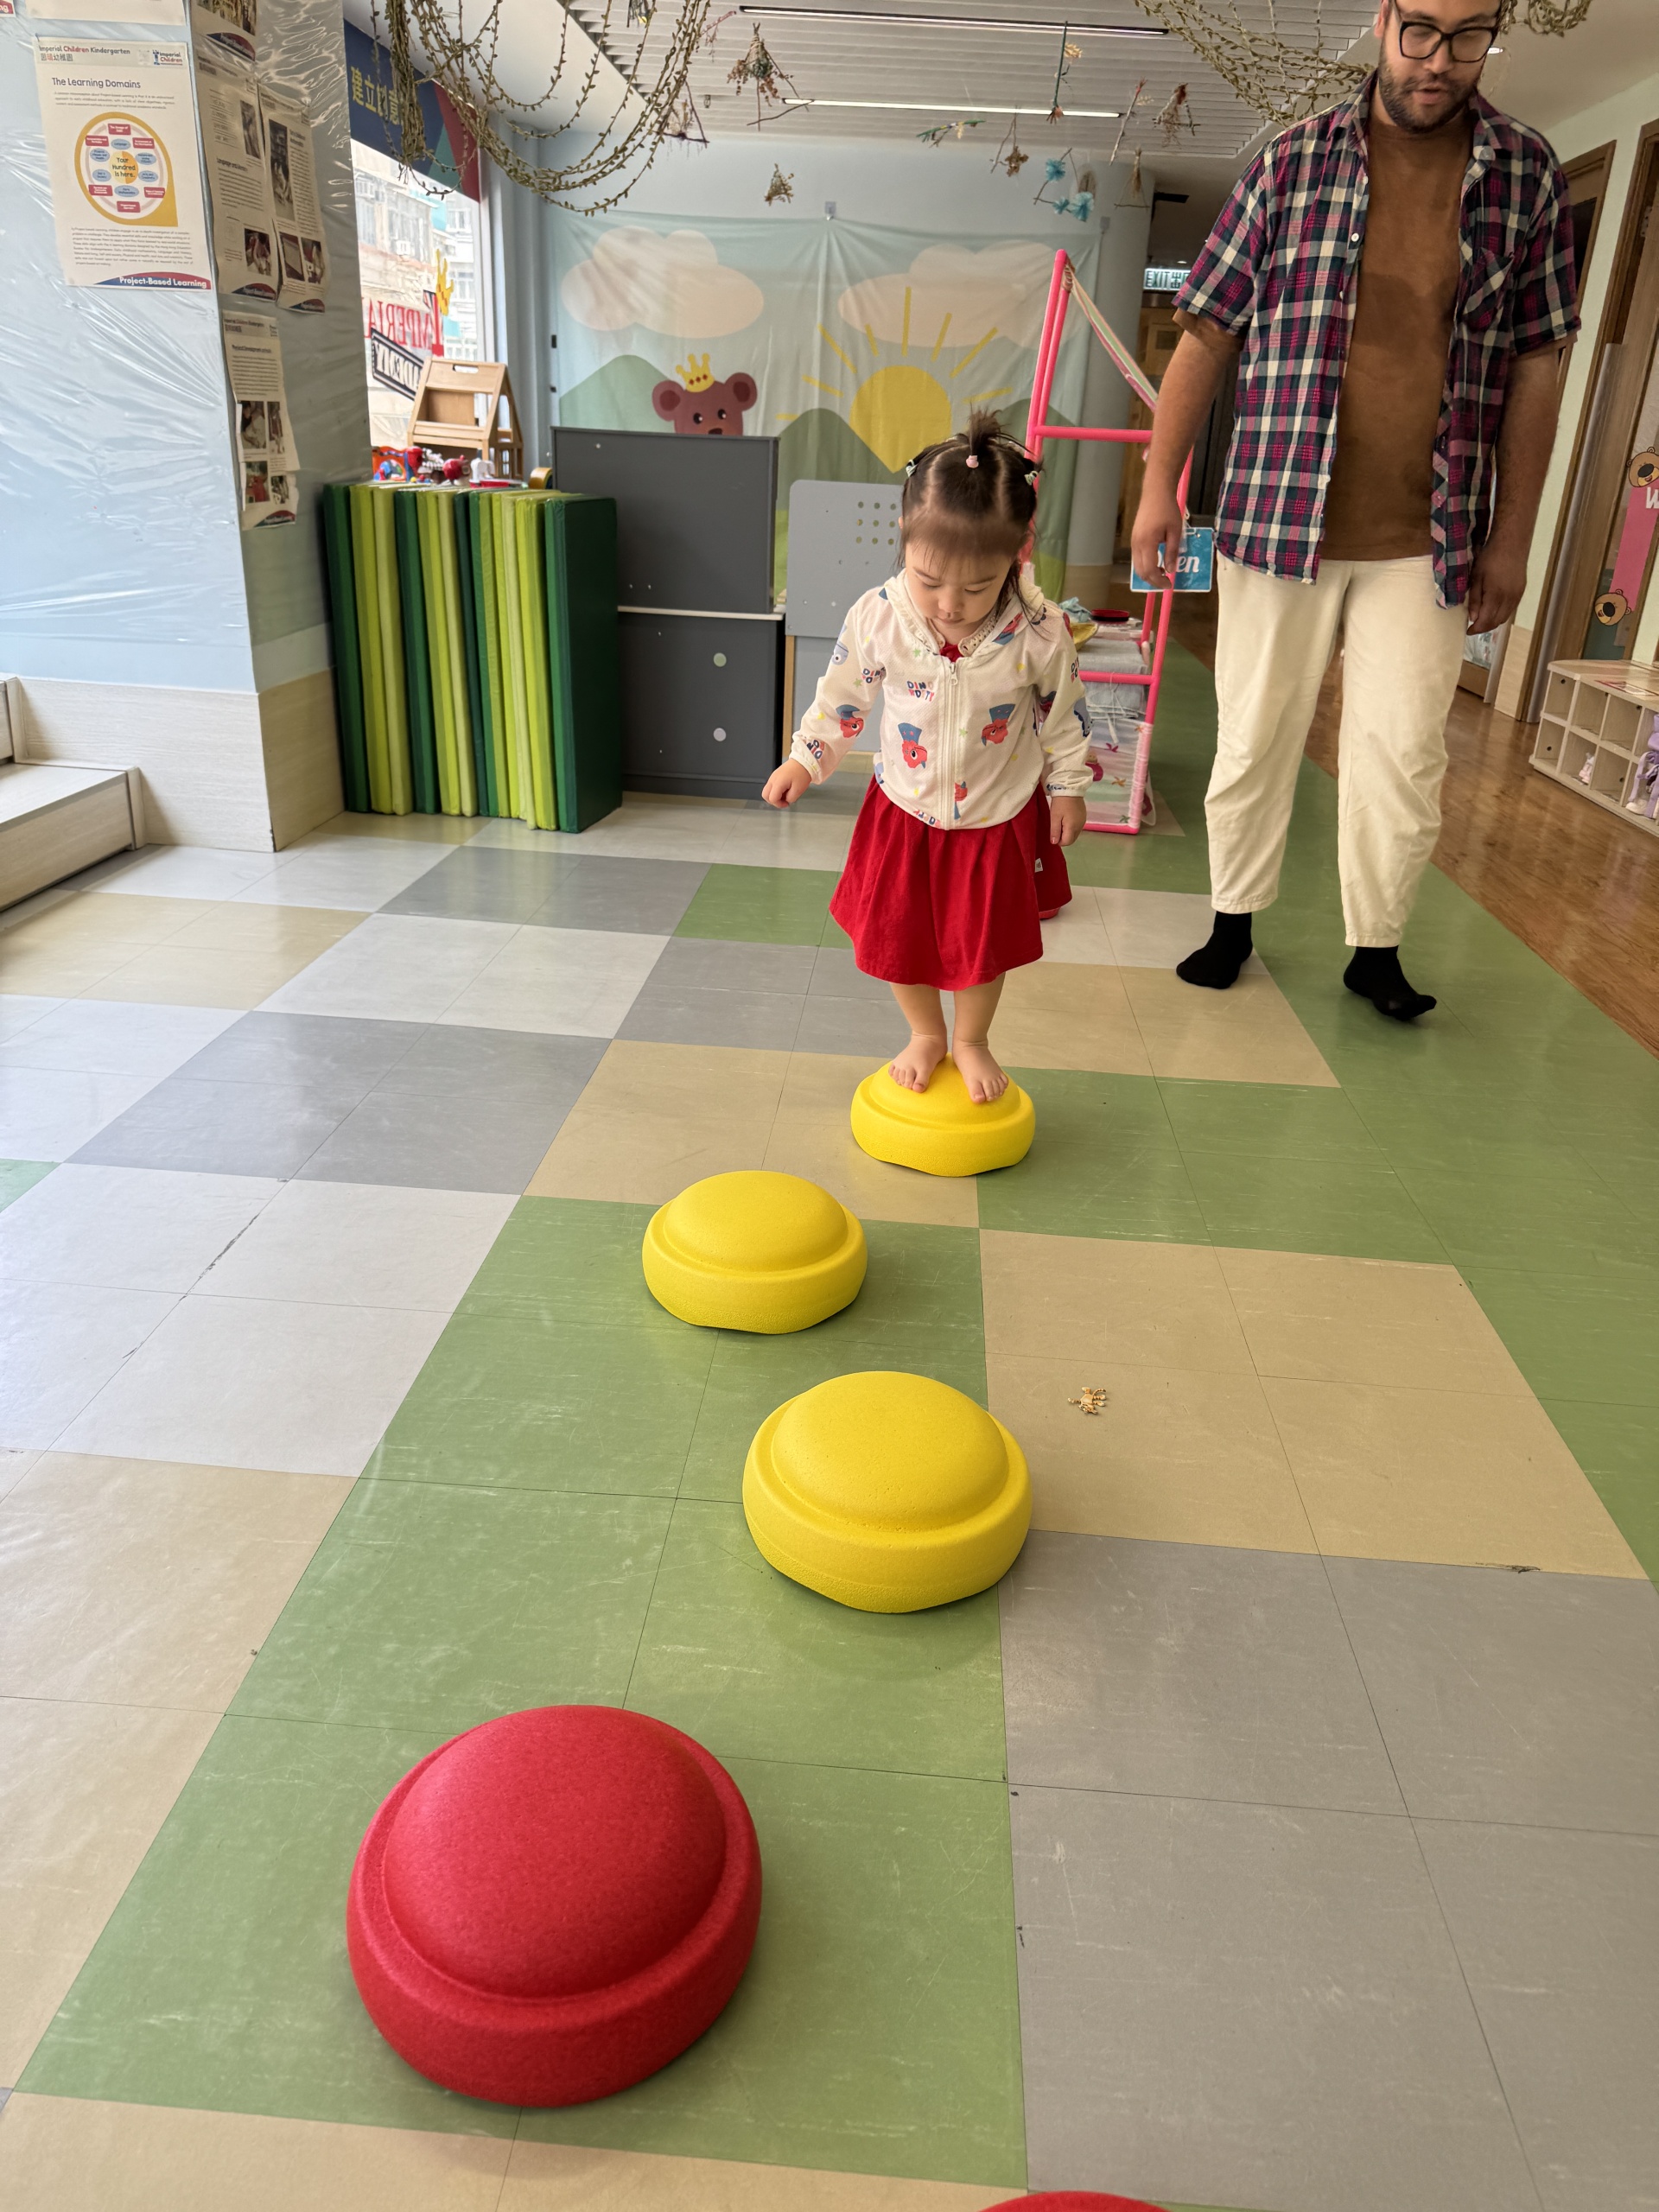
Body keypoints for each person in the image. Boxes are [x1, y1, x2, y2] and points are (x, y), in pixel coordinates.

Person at [1132, 0, 1579, 1021]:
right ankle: (1232, 922)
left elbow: (1539, 364)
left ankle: (1375, 947)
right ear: (1383, 21)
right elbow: (1207, 332)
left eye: (1468, 36)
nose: (1440, 59)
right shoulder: (1292, 161)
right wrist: (1161, 487)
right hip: (1275, 516)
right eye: (1420, 30)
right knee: (1253, 735)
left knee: (1405, 753)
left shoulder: (1527, 174)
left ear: (1493, 34)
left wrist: (1514, 537)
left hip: (1431, 536)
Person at [762, 413, 1093, 1103]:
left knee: (982, 948)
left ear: (1018, 555)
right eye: (929, 579)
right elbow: (841, 699)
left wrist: (1068, 786)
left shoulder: (1040, 632)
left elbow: (1061, 714)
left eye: (977, 588)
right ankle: (925, 1033)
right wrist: (805, 758)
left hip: (994, 817)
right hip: (905, 810)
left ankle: (971, 1038)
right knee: (897, 937)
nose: (949, 605)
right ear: (904, 539)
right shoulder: (878, 616)